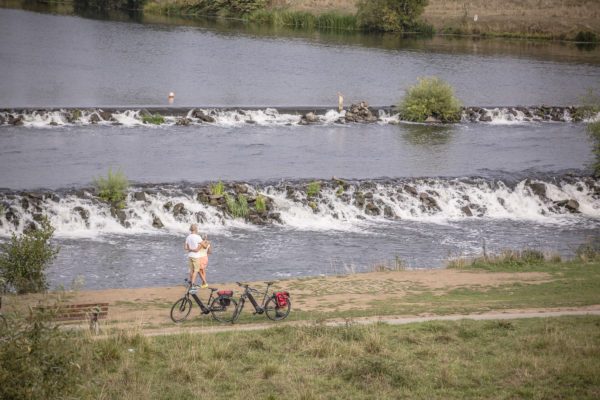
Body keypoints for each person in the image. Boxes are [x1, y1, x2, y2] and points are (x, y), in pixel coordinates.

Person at [184, 224, 209, 288]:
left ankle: (191, 283)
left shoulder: (188, 237)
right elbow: (205, 246)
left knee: (191, 270)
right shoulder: (198, 237)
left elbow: (185, 247)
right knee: (196, 270)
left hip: (190, 256)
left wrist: (191, 249)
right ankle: (192, 284)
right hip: (196, 256)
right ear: (195, 229)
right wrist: (205, 243)